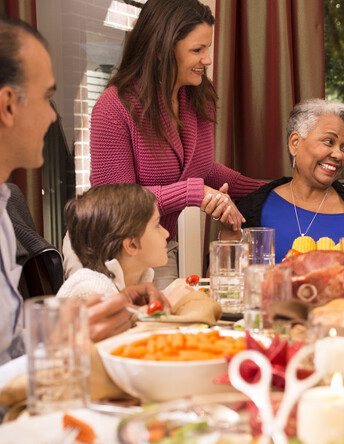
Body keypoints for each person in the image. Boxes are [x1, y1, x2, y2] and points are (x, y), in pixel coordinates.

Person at [0, 16, 168, 361]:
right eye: (47, 97)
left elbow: (8, 342)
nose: (52, 117)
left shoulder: (5, 208)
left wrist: (79, 322)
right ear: (7, 105)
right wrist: (68, 339)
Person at [88, 0, 263, 288]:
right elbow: (114, 204)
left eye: (207, 48)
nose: (207, 60)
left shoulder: (198, 98)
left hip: (158, 249)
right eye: (197, 50)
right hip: (108, 257)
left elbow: (203, 169)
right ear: (160, 50)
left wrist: (270, 189)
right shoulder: (114, 107)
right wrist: (192, 192)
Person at [233, 98, 344, 271]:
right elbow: (225, 280)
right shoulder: (252, 207)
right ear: (295, 143)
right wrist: (230, 235)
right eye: (329, 142)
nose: (339, 155)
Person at [57, 184, 169, 298]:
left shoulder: (137, 283)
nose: (166, 233)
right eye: (157, 225)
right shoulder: (93, 291)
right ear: (132, 245)